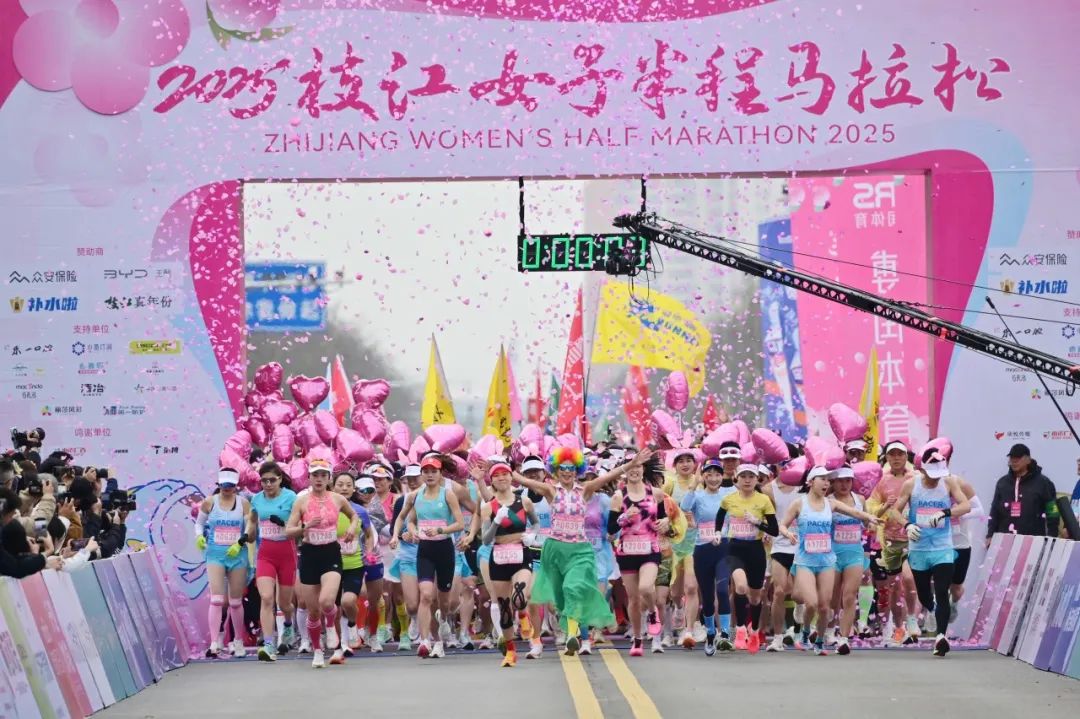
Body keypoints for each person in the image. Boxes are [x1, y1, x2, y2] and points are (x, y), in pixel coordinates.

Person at [516, 447, 636, 657]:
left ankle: (572, 635)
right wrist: (504, 469)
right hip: (555, 550)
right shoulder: (551, 491)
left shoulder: (585, 490)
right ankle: (565, 632)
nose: (567, 472)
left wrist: (631, 465)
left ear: (577, 470)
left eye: (571, 468)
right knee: (560, 600)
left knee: (573, 588)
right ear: (556, 470)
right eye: (562, 468)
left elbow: (609, 476)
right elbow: (524, 480)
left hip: (580, 550)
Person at [779, 466, 879, 656]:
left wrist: (870, 517)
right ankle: (805, 631)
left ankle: (819, 642)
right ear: (811, 482)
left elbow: (855, 513)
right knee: (811, 603)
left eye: (827, 480)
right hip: (805, 560)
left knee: (825, 607)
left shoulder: (831, 504)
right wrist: (787, 533)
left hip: (827, 560)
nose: (826, 483)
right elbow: (782, 525)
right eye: (822, 479)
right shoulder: (799, 503)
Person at [285, 458, 362, 669]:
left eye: (323, 475)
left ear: (329, 478)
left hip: (331, 553)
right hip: (309, 554)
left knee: (327, 602)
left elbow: (354, 516)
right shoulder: (301, 501)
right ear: (309, 478)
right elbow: (288, 531)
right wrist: (305, 526)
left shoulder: (337, 499)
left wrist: (352, 528)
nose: (319, 479)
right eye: (315, 475)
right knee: (313, 611)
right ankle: (318, 651)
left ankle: (330, 627)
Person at [894, 448, 971, 656]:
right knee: (924, 594)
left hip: (942, 547)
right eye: (932, 474)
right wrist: (907, 525)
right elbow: (895, 511)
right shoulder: (911, 484)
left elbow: (965, 506)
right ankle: (932, 608)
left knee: (942, 590)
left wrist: (945, 512)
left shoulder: (949, 482)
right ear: (922, 469)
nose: (936, 478)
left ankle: (940, 637)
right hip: (919, 548)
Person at [401, 454, 466, 659]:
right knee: (426, 595)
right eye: (426, 472)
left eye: (433, 471)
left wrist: (441, 530)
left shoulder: (448, 495)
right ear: (422, 474)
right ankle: (426, 641)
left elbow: (460, 523)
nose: (429, 475)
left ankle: (444, 622)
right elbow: (410, 520)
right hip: (425, 551)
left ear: (440, 474)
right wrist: (413, 531)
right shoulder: (416, 496)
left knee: (443, 602)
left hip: (445, 549)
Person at [712, 463, 778, 654]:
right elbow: (719, 517)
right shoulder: (729, 499)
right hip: (735, 549)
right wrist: (718, 533)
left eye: (751, 477)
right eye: (743, 477)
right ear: (737, 479)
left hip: (756, 550)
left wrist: (758, 523)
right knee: (740, 587)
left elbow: (774, 529)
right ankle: (740, 629)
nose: (747, 480)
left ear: (757, 479)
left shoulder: (763, 500)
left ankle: (754, 631)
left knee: (756, 597)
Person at [609, 454, 670, 657]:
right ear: (625, 471)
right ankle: (637, 639)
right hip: (627, 551)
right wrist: (624, 517)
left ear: (644, 470)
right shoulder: (619, 497)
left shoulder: (656, 493)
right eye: (631, 466)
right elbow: (610, 529)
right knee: (634, 600)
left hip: (650, 550)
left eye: (639, 466)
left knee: (646, 588)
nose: (635, 470)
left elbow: (663, 520)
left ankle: (653, 615)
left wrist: (665, 523)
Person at [480, 460, 539, 667]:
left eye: (505, 474)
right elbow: (485, 540)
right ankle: (511, 651)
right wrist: (496, 522)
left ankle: (523, 614)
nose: (501, 478)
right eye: (496, 475)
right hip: (499, 556)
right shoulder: (488, 507)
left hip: (521, 553)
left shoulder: (524, 501)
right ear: (492, 481)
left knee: (520, 597)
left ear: (511, 477)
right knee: (505, 608)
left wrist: (532, 535)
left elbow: (536, 522)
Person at [682, 457, 737, 656]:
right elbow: (684, 507)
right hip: (702, 550)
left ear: (723, 476)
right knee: (706, 596)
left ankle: (725, 634)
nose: (713, 478)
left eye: (717, 475)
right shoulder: (697, 496)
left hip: (723, 549)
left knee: (722, 590)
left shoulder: (729, 494)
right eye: (709, 474)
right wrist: (693, 484)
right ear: (703, 476)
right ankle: (711, 634)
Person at [195, 468, 252, 658]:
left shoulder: (243, 503)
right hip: (215, 555)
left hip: (237, 556)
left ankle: (238, 640)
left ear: (236, 486)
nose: (227, 488)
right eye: (223, 485)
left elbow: (250, 529)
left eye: (230, 485)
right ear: (218, 484)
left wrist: (240, 542)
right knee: (217, 599)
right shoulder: (210, 502)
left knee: (235, 602)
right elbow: (199, 523)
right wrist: (199, 536)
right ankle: (214, 643)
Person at [868, 440, 919, 646]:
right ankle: (899, 628)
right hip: (890, 541)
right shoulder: (882, 481)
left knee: (908, 578)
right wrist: (884, 507)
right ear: (887, 457)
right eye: (892, 454)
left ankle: (912, 618)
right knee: (894, 588)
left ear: (906, 456)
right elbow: (872, 509)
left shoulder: (916, 478)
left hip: (913, 538)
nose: (896, 458)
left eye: (900, 454)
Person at [248, 461, 298, 662]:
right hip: (265, 554)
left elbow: (299, 525)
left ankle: (288, 625)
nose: (268, 484)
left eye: (272, 480)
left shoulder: (291, 497)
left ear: (280, 479)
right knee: (267, 598)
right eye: (264, 481)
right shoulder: (256, 499)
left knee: (284, 603)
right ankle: (269, 644)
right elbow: (252, 520)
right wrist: (248, 533)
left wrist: (284, 524)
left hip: (287, 552)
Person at [331, 472, 378, 663]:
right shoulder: (327, 509)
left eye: (348, 485)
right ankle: (342, 644)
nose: (344, 488)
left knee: (348, 601)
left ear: (353, 489)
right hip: (331, 564)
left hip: (354, 564)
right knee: (334, 607)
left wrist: (369, 552)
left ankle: (352, 624)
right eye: (340, 484)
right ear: (333, 486)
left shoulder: (359, 511)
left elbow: (369, 534)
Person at [662, 449, 702, 649]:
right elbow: (660, 509)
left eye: (689, 460)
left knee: (692, 587)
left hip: (695, 543)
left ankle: (689, 630)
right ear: (675, 465)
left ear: (695, 464)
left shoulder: (701, 482)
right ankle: (678, 608)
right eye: (681, 461)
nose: (685, 464)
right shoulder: (670, 484)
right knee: (675, 592)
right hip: (674, 543)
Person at [827, 464, 869, 655]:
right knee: (833, 596)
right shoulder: (828, 501)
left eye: (848, 481)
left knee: (850, 595)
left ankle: (844, 638)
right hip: (833, 553)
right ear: (833, 482)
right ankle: (829, 630)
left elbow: (866, 522)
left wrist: (881, 512)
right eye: (840, 481)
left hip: (854, 553)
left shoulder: (860, 500)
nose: (844, 485)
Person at [986, 444, 1059, 546]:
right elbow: (994, 510)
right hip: (1004, 542)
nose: (1014, 461)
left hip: (1033, 543)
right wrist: (990, 534)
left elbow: (1052, 511)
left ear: (1028, 460)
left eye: (1018, 458)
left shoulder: (1043, 483)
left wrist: (1052, 538)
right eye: (1012, 458)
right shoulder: (1002, 483)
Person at [761, 463, 800, 651]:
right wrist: (764, 530)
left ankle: (798, 629)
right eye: (782, 463)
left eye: (789, 463)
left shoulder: (805, 488)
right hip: (779, 545)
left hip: (802, 547)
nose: (786, 467)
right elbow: (763, 514)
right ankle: (777, 638)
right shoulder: (768, 489)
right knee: (778, 591)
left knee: (799, 594)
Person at [388, 464, 423, 652]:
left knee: (429, 596)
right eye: (409, 479)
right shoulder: (402, 501)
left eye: (416, 477)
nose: (412, 481)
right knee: (411, 604)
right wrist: (401, 536)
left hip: (430, 553)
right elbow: (395, 526)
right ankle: (415, 618)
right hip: (408, 554)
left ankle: (430, 635)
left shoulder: (438, 497)